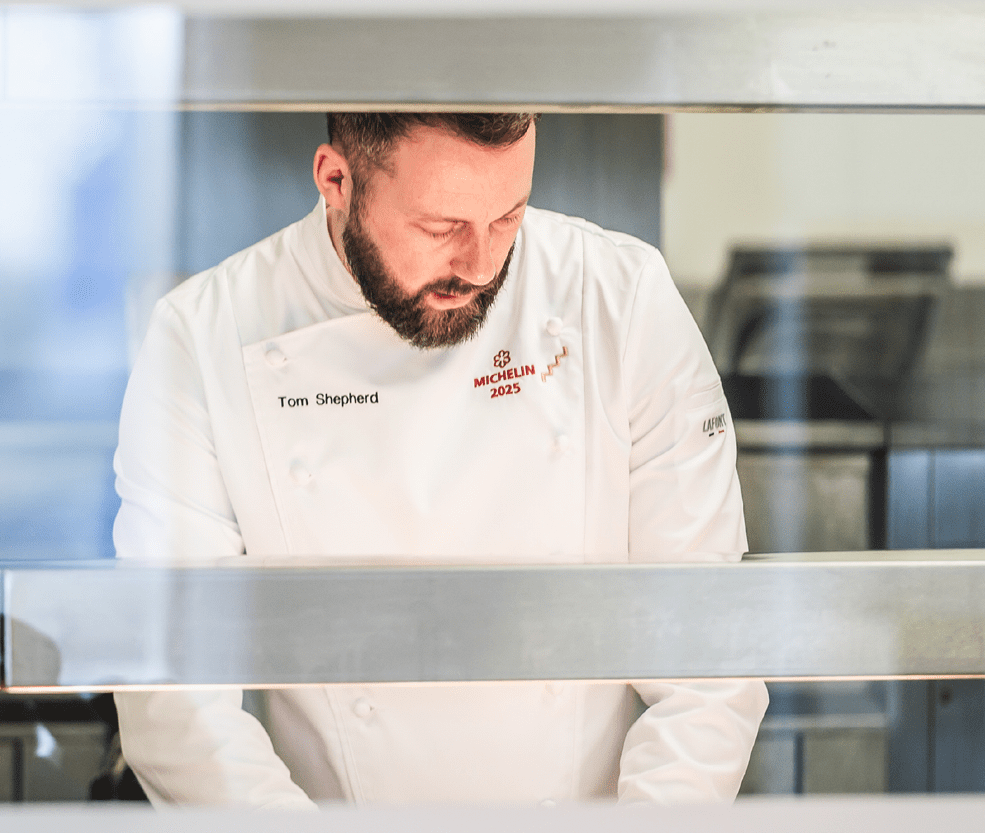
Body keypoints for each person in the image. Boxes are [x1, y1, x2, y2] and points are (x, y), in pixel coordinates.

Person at [110, 112, 768, 807]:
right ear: (336, 180)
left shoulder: (620, 299)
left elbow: (708, 658)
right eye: (439, 227)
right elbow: (175, 697)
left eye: (508, 216)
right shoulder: (204, 336)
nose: (482, 265)